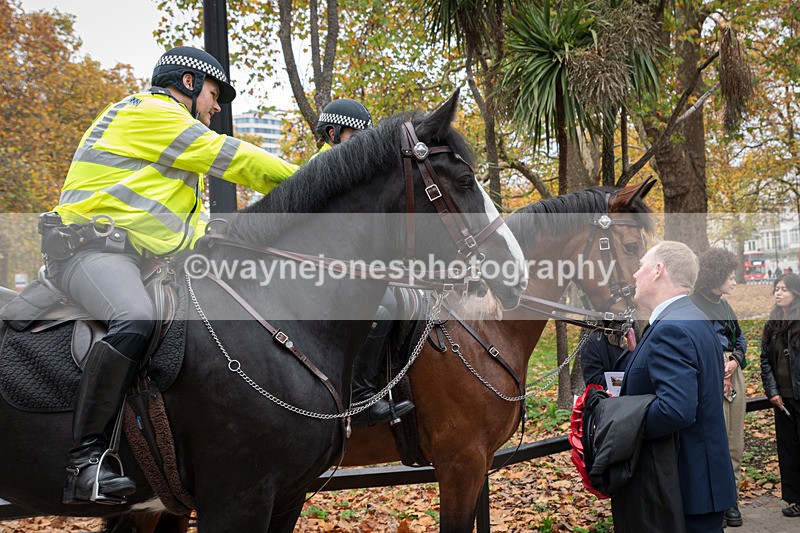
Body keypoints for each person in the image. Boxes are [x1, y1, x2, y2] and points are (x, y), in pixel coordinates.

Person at [43, 46, 298, 505]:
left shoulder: (169, 151)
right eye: (214, 95)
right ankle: (85, 462)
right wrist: (318, 181)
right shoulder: (151, 113)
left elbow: (184, 230)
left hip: (137, 257)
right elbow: (238, 159)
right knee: (134, 317)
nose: (216, 108)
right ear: (187, 83)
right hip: (91, 253)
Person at [619, 241, 736, 532]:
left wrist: (622, 422)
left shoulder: (673, 327)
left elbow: (676, 409)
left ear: (658, 270)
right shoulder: (692, 318)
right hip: (698, 484)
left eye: (641, 265)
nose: (634, 274)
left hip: (682, 488)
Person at [312, 99, 413, 427]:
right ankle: (360, 397)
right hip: (321, 273)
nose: (364, 143)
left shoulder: (352, 174)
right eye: (357, 135)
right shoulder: (322, 170)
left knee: (406, 301)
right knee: (381, 311)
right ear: (333, 133)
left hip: (350, 270)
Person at [689, 248, 748, 527]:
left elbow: (741, 339)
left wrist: (735, 360)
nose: (734, 281)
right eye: (730, 276)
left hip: (732, 374)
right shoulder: (693, 305)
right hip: (709, 374)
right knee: (716, 439)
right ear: (715, 275)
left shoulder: (725, 306)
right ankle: (719, 501)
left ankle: (732, 499)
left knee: (735, 439)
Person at [760, 273, 800, 518]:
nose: (778, 293)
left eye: (784, 289)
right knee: (789, 451)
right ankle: (795, 500)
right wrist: (772, 391)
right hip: (782, 399)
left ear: (796, 292)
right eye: (776, 288)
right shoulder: (773, 323)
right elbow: (765, 359)